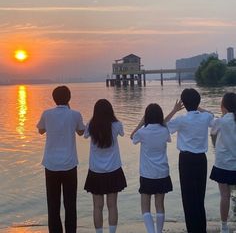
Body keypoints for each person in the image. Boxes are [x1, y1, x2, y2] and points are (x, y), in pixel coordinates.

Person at [37, 85, 85, 233]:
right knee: (70, 204)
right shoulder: (75, 114)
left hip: (51, 165)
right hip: (69, 165)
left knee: (53, 204)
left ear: (54, 98)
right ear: (69, 98)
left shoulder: (47, 114)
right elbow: (81, 132)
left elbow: (40, 130)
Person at [165, 88, 214, 233]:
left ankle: (192, 230)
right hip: (201, 160)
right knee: (200, 196)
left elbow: (161, 126)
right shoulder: (205, 117)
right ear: (198, 102)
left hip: (186, 160)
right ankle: (201, 229)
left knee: (188, 197)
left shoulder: (181, 120)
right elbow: (212, 116)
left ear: (184, 104)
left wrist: (174, 110)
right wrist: (197, 106)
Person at [84, 99, 127, 233]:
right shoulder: (116, 125)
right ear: (110, 111)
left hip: (95, 171)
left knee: (97, 206)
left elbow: (85, 135)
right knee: (112, 206)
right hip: (113, 169)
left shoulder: (91, 125)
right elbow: (122, 133)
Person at [130, 103, 173, 233]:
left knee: (145, 206)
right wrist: (173, 111)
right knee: (160, 205)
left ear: (146, 117)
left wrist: (141, 123)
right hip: (162, 173)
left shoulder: (142, 132)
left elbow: (132, 136)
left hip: (147, 174)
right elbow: (164, 127)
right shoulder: (164, 130)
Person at [210, 92, 236, 233]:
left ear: (223, 106)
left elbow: (213, 132)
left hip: (223, 164)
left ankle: (224, 226)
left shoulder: (222, 121)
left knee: (224, 196)